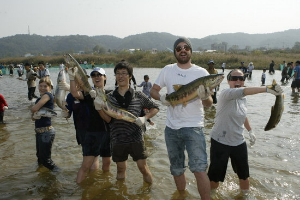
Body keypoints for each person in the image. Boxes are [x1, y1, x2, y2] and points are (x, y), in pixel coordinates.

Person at [150, 37, 212, 199]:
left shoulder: (201, 73)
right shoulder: (167, 70)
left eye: (186, 47)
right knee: (176, 169)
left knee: (199, 169)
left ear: (191, 51)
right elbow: (153, 91)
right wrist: (162, 98)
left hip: (194, 127)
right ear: (175, 52)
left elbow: (208, 104)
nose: (182, 50)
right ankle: (182, 196)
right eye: (179, 48)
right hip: (171, 129)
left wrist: (205, 96)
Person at [207, 69, 283, 196]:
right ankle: (212, 195)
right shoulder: (226, 93)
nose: (238, 81)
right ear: (228, 80)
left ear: (244, 81)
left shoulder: (242, 99)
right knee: (215, 176)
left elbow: (242, 115)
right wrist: (266, 89)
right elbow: (245, 91)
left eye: (241, 79)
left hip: (238, 142)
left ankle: (245, 196)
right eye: (234, 78)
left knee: (244, 175)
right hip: (220, 141)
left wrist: (250, 130)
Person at [94, 60, 159, 184]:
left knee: (143, 168)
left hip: (136, 139)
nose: (120, 76)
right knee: (120, 170)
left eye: (124, 73)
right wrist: (98, 109)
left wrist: (145, 118)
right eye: (118, 73)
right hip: (117, 139)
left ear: (130, 76)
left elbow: (155, 107)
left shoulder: (139, 95)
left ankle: (149, 193)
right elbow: (108, 120)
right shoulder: (109, 96)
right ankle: (120, 194)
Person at [67, 67, 111, 184]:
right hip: (92, 133)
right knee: (86, 165)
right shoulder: (88, 94)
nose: (96, 77)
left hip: (108, 133)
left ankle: (104, 187)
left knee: (107, 163)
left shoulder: (111, 93)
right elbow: (74, 93)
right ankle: (79, 189)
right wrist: (72, 78)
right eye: (94, 75)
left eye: (99, 75)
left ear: (105, 77)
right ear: (91, 78)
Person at [31, 77, 59, 171]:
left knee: (46, 161)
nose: (42, 88)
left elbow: (34, 109)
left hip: (46, 132)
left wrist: (35, 112)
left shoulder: (48, 95)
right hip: (39, 132)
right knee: (40, 158)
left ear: (50, 87)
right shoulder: (39, 98)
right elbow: (33, 118)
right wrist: (35, 116)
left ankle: (59, 175)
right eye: (40, 86)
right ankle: (42, 178)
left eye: (45, 86)